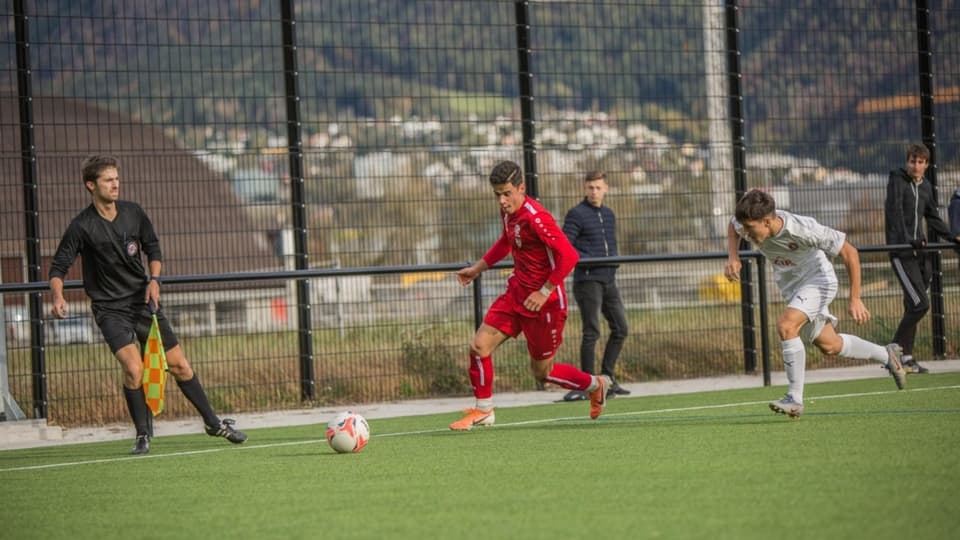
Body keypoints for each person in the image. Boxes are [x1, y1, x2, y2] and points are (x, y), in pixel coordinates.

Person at [48, 155, 247, 454]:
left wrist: (154, 280)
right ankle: (143, 435)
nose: (115, 184)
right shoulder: (82, 226)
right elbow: (58, 266)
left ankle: (213, 422)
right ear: (91, 185)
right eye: (108, 179)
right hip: (109, 310)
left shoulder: (133, 213)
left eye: (116, 178)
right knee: (133, 369)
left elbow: (153, 248)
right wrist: (58, 296)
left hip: (143, 303)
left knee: (180, 366)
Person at [449, 160, 611, 430]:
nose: (501, 200)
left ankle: (596, 384)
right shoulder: (508, 212)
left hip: (545, 305)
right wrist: (477, 268)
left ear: (521, 188)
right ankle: (484, 409)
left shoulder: (537, 217)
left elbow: (570, 256)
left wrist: (544, 290)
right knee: (478, 346)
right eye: (497, 194)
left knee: (542, 372)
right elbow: (506, 240)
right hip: (516, 294)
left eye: (506, 193)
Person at [724, 189, 905, 418]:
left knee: (787, 326)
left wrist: (855, 298)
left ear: (767, 221)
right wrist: (733, 256)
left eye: (750, 228)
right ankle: (886, 355)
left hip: (819, 280)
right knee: (830, 345)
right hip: (791, 287)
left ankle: (794, 399)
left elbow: (850, 253)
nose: (746, 233)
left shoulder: (802, 228)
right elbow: (733, 226)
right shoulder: (747, 222)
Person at [884, 143, 960, 374]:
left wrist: (953, 237)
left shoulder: (926, 186)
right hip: (902, 252)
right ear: (907, 162)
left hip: (921, 254)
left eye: (920, 162)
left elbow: (933, 218)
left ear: (926, 165)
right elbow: (894, 214)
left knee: (912, 304)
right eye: (912, 161)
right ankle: (892, 350)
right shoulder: (897, 181)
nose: (915, 166)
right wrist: (909, 240)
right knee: (920, 304)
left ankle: (906, 357)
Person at [561, 170, 630, 401]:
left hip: (609, 278)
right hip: (587, 280)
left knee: (621, 328)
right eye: (590, 187)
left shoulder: (609, 214)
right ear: (584, 188)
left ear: (606, 188)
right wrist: (587, 258)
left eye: (598, 187)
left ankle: (607, 380)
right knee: (591, 332)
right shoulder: (576, 214)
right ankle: (586, 385)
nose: (594, 191)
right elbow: (566, 245)